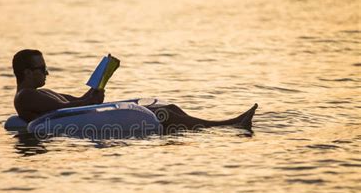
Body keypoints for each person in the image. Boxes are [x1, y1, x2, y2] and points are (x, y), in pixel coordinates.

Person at [13, 49, 258, 132]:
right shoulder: (26, 96)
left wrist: (99, 84)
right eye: (41, 68)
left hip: (86, 115)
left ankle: (220, 125)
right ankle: (226, 126)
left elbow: (78, 100)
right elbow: (68, 110)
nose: (46, 73)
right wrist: (93, 97)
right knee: (167, 116)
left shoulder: (42, 92)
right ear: (26, 72)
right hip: (86, 123)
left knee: (168, 108)